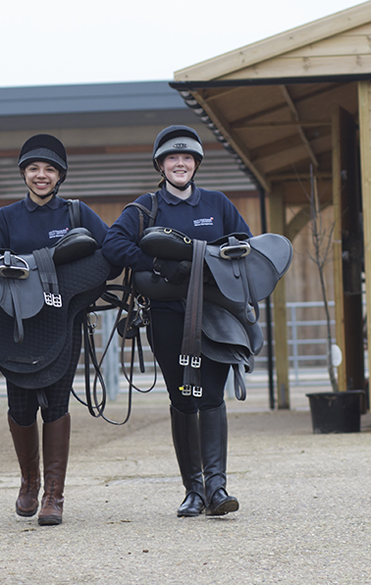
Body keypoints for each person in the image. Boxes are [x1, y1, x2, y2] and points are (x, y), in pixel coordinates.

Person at [103, 125, 251, 517]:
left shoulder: (217, 204)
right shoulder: (146, 208)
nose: (180, 163)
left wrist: (214, 261)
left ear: (196, 163)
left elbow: (245, 245)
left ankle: (218, 488)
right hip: (169, 318)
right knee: (183, 398)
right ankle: (194, 490)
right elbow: (113, 243)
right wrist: (155, 264)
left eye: (187, 158)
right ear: (161, 164)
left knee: (212, 397)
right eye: (172, 157)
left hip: (216, 316)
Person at [0, 134, 111, 526]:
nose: (41, 175)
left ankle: (54, 494)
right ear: (24, 173)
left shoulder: (77, 215)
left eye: (49, 169)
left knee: (56, 403)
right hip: (16, 325)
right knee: (20, 407)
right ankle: (29, 482)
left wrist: (80, 290)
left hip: (63, 323)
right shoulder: (6, 218)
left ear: (60, 176)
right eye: (34, 168)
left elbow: (110, 254)